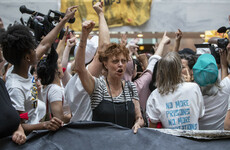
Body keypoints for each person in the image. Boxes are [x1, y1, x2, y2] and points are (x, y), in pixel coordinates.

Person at [0, 6, 77, 132]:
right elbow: (18, 125)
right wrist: (44, 125)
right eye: (33, 50)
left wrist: (64, 19)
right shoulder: (16, 87)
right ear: (27, 57)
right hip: (31, 138)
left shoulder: (20, 67)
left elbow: (45, 43)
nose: (37, 52)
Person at [75, 20, 144, 133]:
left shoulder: (130, 87)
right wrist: (84, 36)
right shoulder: (98, 86)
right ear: (105, 64)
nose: (120, 64)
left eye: (123, 61)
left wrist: (138, 124)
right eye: (115, 61)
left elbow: (139, 118)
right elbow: (79, 68)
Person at [64, 2, 110, 122]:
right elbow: (104, 46)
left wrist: (84, 36)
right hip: (88, 133)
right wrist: (100, 14)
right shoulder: (83, 79)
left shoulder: (70, 82)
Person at [146, 52, 205, 130]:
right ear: (179, 69)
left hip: (170, 141)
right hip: (193, 140)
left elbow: (153, 126)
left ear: (160, 72)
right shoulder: (194, 88)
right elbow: (199, 116)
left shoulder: (155, 95)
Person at [193, 52, 230, 130]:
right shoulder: (225, 88)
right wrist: (224, 64)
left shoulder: (192, 95)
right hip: (220, 139)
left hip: (199, 139)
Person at [37, 46, 71, 123]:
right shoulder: (55, 90)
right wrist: (74, 114)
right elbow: (59, 118)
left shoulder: (51, 87)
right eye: (59, 63)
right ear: (55, 69)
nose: (62, 65)